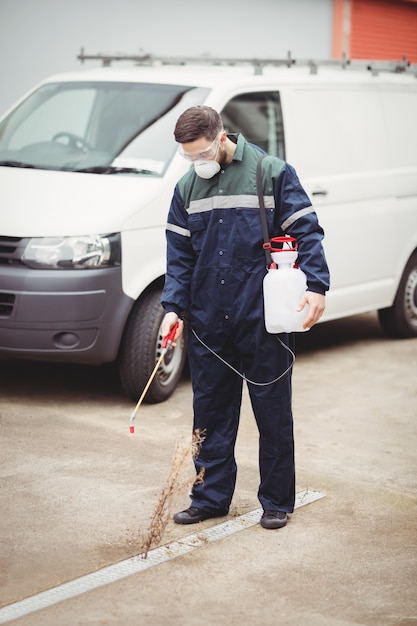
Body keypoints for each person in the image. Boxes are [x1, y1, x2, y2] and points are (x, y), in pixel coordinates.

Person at [161, 105, 330, 529]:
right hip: (207, 321)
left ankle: (276, 501)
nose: (195, 163)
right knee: (211, 414)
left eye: (200, 154)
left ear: (221, 139)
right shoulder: (186, 190)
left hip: (262, 318)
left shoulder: (270, 173)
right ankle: (210, 497)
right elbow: (179, 258)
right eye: (187, 157)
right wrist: (172, 309)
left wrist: (316, 287)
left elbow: (306, 229)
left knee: (272, 413)